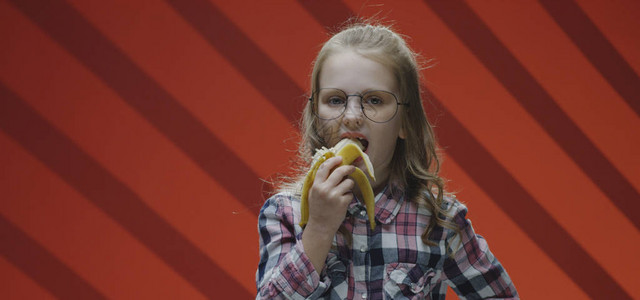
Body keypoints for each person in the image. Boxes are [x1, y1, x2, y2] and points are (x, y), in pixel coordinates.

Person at [255, 21, 518, 299]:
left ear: (405, 121)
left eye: (374, 100)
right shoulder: (285, 214)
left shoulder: (439, 221)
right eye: (335, 100)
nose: (352, 115)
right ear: (316, 117)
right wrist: (319, 228)